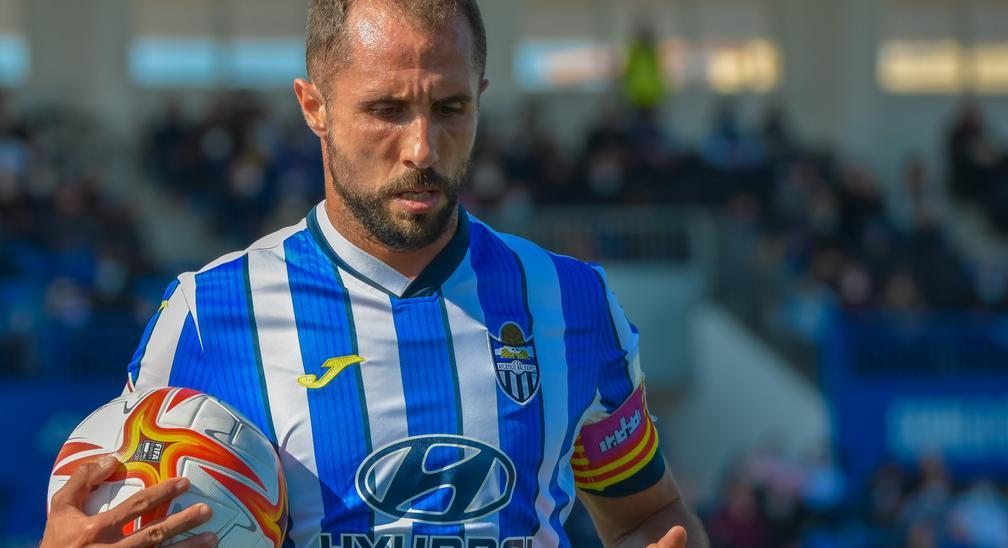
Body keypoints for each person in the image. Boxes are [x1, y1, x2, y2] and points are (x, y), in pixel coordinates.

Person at [42, 1, 706, 546]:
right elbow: (119, 513)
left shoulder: (573, 303)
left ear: (480, 97)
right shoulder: (205, 316)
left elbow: (647, 512)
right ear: (314, 106)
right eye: (387, 109)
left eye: (449, 108)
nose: (421, 148)